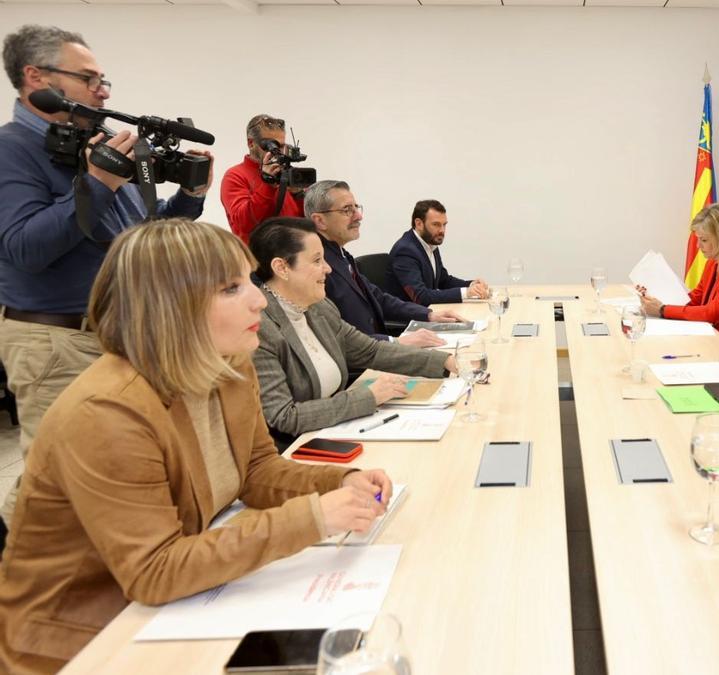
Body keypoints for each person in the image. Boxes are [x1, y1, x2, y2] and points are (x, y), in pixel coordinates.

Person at [0, 219, 392, 674]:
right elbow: (154, 571)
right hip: (84, 643)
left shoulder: (228, 363)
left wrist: (340, 481)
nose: (259, 299)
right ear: (168, 307)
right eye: (230, 288)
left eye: (249, 279)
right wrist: (315, 517)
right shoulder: (106, 411)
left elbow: (257, 470)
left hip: (171, 611)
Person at [0, 25, 211, 523]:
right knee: (56, 476)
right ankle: (22, 577)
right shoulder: (12, 150)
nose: (104, 91)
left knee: (110, 465)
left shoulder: (83, 145)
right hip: (55, 337)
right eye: (90, 78)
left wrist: (189, 198)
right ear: (36, 78)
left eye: (104, 79)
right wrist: (98, 181)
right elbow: (25, 247)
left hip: (113, 333)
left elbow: (137, 232)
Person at [249, 218, 457, 441]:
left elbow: (371, 351)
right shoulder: (260, 328)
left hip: (338, 430)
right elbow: (283, 417)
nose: (328, 268)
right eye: (317, 260)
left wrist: (444, 362)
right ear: (281, 268)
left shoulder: (320, 308)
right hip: (298, 448)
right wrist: (366, 397)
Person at [304, 180, 465, 342]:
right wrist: (397, 342)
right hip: (363, 360)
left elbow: (379, 298)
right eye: (347, 210)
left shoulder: (342, 255)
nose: (359, 216)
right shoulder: (319, 267)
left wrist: (429, 315)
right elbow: (338, 338)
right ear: (320, 221)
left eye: (356, 208)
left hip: (377, 348)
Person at [637, 203, 719, 343]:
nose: (698, 246)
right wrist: (656, 299)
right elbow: (695, 299)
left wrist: (663, 310)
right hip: (713, 334)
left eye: (704, 240)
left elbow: (712, 313)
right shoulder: (714, 261)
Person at [219, 113, 305, 244]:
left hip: (294, 256)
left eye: (281, 146)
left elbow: (306, 223)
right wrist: (267, 185)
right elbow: (245, 225)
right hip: (258, 260)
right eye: (271, 145)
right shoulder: (235, 176)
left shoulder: (287, 172)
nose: (278, 151)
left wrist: (299, 195)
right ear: (251, 143)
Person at [387, 199, 488, 305]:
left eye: (444, 225)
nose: (442, 230)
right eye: (436, 225)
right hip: (409, 318)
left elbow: (443, 280)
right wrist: (466, 293)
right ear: (419, 224)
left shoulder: (430, 243)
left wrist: (471, 285)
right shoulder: (405, 251)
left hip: (429, 313)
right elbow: (421, 297)